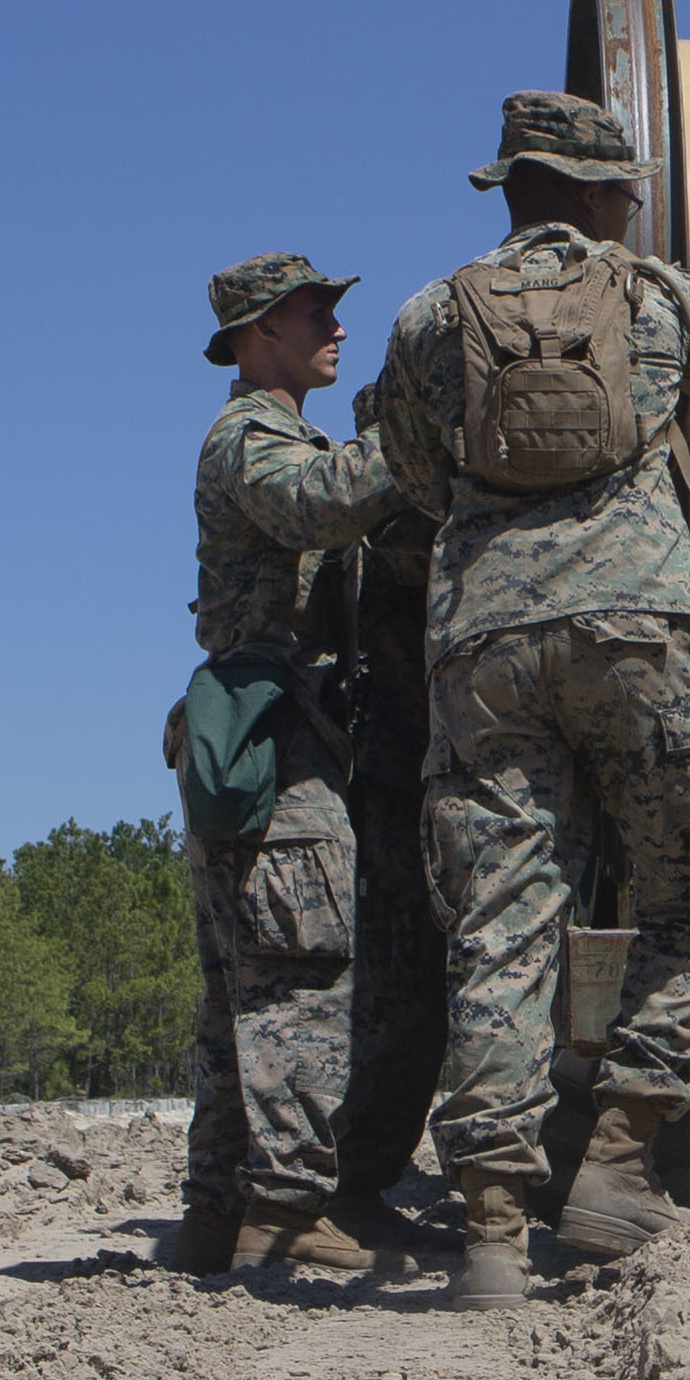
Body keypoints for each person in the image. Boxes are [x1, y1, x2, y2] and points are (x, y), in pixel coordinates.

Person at [374, 92, 690, 1306]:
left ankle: (491, 1227)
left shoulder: (430, 315)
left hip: (483, 640)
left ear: (509, 187)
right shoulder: (665, 297)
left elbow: (411, 468)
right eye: (623, 191)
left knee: (502, 925)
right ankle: (622, 1166)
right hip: (636, 627)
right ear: (596, 194)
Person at [173, 254, 422, 1276]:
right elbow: (321, 504)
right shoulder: (252, 437)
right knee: (297, 968)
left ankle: (214, 1214)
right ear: (256, 332)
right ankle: (283, 1214)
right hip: (276, 734)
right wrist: (416, 432)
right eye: (315, 311)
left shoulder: (280, 429)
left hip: (273, 727)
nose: (336, 327)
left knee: (241, 979)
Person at [324, 471, 450, 1250]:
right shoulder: (398, 504)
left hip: (444, 769)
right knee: (405, 993)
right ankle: (351, 1183)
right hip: (403, 776)